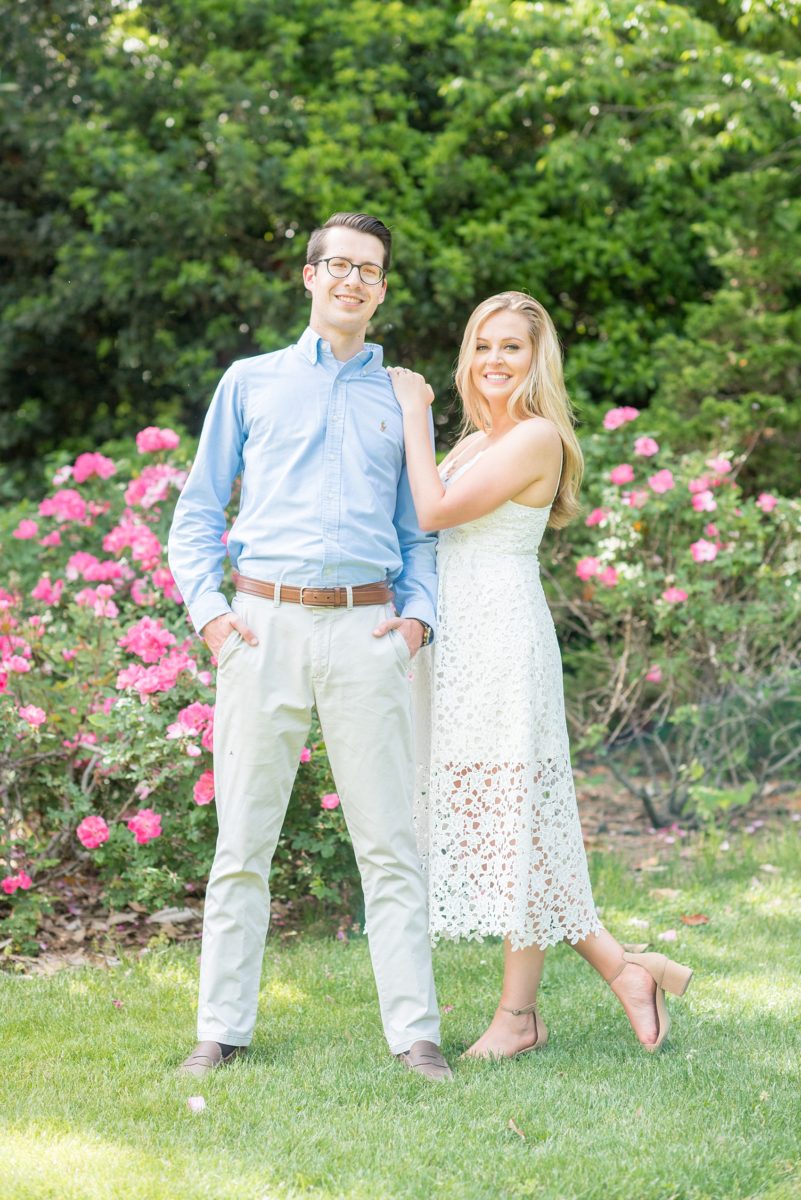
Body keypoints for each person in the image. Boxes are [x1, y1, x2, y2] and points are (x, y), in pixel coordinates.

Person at [168, 212, 451, 1082]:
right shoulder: (250, 383)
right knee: (242, 844)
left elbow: (420, 534)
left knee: (389, 844)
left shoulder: (400, 397)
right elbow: (196, 513)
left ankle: (416, 1035)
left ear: (383, 287)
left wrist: (414, 622)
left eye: (368, 269)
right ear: (308, 276)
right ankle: (221, 1029)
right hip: (263, 628)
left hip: (367, 634)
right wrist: (213, 617)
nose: (351, 280)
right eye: (337, 265)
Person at [387, 291, 693, 1059]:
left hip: (500, 642)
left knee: (512, 826)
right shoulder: (478, 439)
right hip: (458, 645)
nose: (494, 360)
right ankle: (614, 974)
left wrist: (411, 414)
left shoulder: (533, 437)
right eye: (482, 345)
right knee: (507, 831)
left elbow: (430, 511)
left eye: (511, 348)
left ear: (536, 359)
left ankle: (529, 1013)